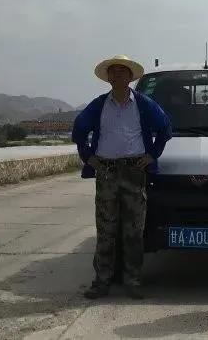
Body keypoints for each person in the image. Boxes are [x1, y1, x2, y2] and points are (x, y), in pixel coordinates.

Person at [71, 54, 172, 300]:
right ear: (108, 78)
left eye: (122, 71)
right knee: (106, 230)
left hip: (134, 172)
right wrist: (88, 157)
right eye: (113, 72)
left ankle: (133, 281)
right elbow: (79, 130)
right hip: (106, 172)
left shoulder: (144, 104)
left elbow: (165, 128)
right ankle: (101, 281)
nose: (117, 75)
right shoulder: (99, 105)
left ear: (130, 77)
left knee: (134, 230)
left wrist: (152, 155)